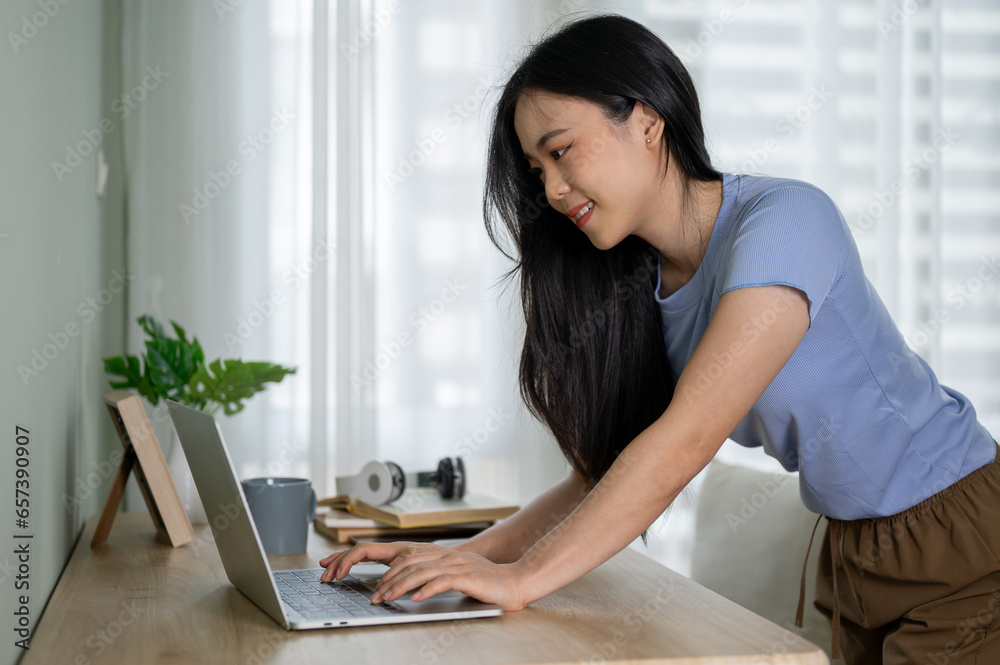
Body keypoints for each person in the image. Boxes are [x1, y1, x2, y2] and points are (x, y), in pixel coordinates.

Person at [320, 13, 1000, 664]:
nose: (554, 189)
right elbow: (601, 473)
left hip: (962, 537)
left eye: (561, 151)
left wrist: (523, 579)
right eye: (537, 171)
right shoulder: (647, 287)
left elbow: (683, 442)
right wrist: (474, 555)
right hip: (855, 553)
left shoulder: (786, 222)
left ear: (647, 120)